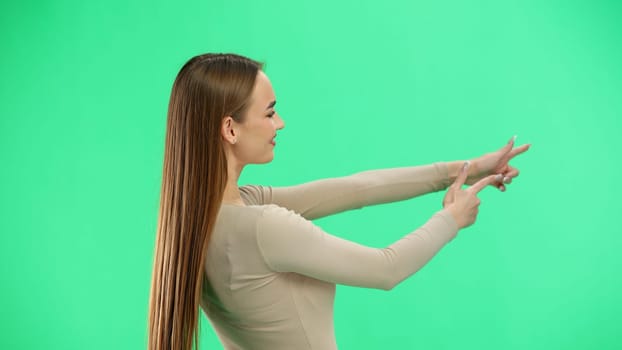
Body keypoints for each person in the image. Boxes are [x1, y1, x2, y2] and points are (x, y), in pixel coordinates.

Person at [147, 53, 531, 350]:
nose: (279, 123)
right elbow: (386, 269)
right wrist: (452, 218)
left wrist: (469, 168)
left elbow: (357, 188)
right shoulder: (262, 226)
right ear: (230, 128)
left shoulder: (201, 222)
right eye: (269, 112)